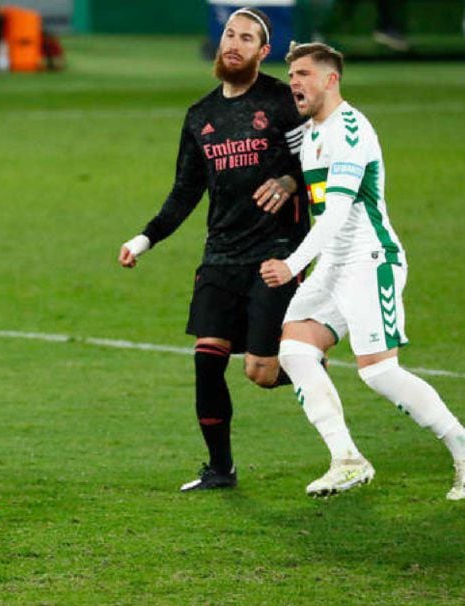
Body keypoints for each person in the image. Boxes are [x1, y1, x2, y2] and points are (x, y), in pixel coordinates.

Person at [261, 42, 465, 500]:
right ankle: (348, 460)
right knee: (294, 351)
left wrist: (293, 265)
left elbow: (335, 215)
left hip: (371, 262)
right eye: (292, 73)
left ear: (331, 79)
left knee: (379, 373)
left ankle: (463, 450)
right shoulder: (312, 131)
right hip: (334, 263)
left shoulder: (350, 129)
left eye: (304, 73)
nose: (294, 81)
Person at [117, 7, 308, 492]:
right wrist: (144, 239)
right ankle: (220, 469)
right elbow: (185, 191)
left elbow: (320, 165)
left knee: (261, 373)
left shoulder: (283, 102)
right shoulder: (200, 116)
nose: (234, 43)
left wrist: (290, 180)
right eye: (229, 33)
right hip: (221, 255)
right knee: (207, 359)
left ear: (263, 52)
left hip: (275, 250)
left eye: (246, 38)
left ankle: (309, 366)